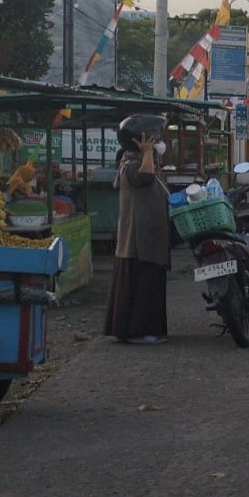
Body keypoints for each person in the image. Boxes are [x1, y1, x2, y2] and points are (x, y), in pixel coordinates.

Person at [104, 114, 172, 345]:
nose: (157, 140)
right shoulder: (133, 163)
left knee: (147, 284)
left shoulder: (134, 159)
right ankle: (139, 332)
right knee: (144, 286)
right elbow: (145, 177)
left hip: (147, 237)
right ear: (139, 139)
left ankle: (141, 331)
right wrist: (147, 152)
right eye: (152, 137)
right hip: (140, 241)